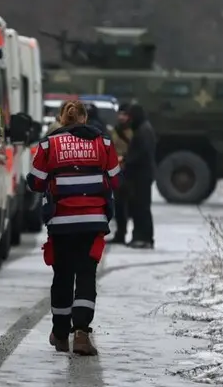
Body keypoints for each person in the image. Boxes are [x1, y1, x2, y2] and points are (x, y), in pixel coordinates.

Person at [27, 100, 121, 356]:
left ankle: (59, 334)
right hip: (93, 223)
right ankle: (81, 332)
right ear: (85, 118)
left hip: (61, 223)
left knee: (63, 276)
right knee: (86, 275)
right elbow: (115, 180)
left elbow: (35, 182)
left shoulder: (48, 144)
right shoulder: (103, 143)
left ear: (61, 118)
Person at [123, 103, 156, 249]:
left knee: (141, 207)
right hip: (140, 175)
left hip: (141, 176)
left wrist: (127, 161)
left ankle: (144, 238)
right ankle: (140, 236)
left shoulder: (143, 131)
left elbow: (141, 153)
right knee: (138, 207)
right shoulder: (143, 129)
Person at [109, 103, 133, 243]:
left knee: (128, 204)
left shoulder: (133, 131)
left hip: (128, 170)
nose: (121, 117)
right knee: (118, 204)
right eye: (120, 114)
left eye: (124, 114)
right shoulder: (115, 130)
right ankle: (120, 233)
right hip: (115, 171)